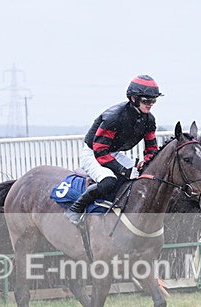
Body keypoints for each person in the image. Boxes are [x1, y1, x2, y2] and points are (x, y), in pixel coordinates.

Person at [65, 74, 162, 225]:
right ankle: (76, 208)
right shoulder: (114, 117)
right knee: (109, 182)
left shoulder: (149, 120)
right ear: (133, 98)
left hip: (112, 153)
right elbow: (100, 152)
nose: (150, 104)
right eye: (146, 100)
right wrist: (124, 171)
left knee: (144, 175)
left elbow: (151, 149)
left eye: (153, 100)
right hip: (93, 153)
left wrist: (146, 163)